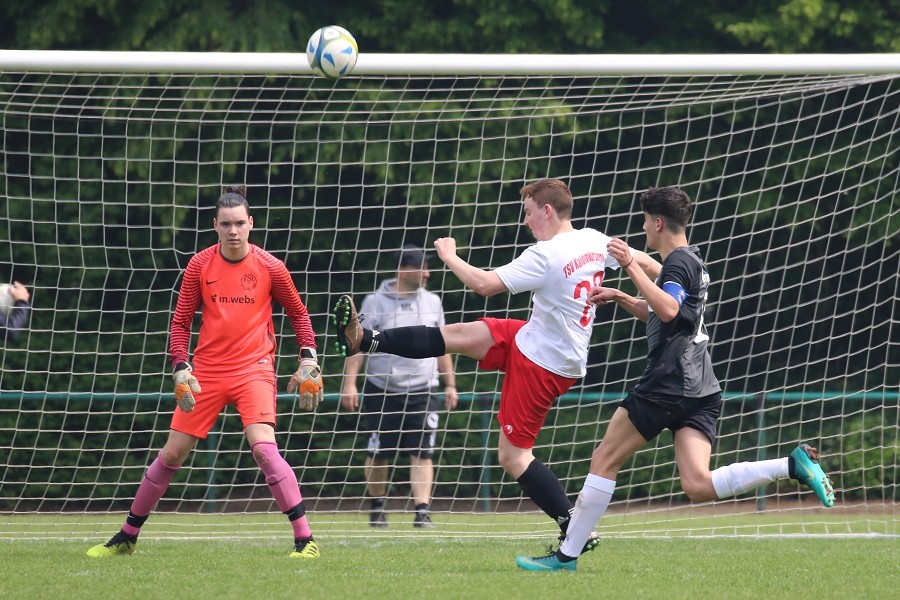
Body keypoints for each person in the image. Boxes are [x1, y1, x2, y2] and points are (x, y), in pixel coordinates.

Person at [515, 186, 836, 572]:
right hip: (702, 385)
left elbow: (667, 310)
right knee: (698, 484)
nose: (643, 228)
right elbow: (671, 315)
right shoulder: (692, 262)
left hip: (668, 382)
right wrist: (620, 296)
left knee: (603, 459)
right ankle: (792, 465)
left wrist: (631, 266)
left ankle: (567, 556)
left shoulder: (677, 264)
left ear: (658, 222)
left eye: (645, 221)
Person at [332, 178, 660, 547]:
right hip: (536, 338)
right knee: (459, 335)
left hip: (543, 363)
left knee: (514, 456)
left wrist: (450, 256)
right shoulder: (594, 239)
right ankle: (366, 340)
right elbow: (644, 261)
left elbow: (485, 285)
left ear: (547, 211)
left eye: (528, 212)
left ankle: (575, 527)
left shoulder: (546, 254)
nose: (525, 221)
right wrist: (678, 281)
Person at [87, 185, 325, 559]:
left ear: (251, 225)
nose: (233, 230)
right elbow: (180, 322)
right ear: (215, 225)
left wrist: (308, 358)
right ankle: (127, 537)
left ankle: (305, 540)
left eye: (240, 223)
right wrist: (181, 366)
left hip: (254, 370)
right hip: (207, 373)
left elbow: (298, 313)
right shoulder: (199, 265)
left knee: (263, 448)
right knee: (171, 455)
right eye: (226, 224)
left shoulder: (271, 266)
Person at [340, 245, 459, 528]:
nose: (428, 274)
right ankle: (378, 507)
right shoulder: (374, 302)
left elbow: (444, 345)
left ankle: (422, 511)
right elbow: (357, 345)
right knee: (379, 452)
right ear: (404, 270)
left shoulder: (433, 302)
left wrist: (450, 384)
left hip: (423, 390)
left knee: (423, 453)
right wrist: (350, 384)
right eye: (423, 268)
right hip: (382, 389)